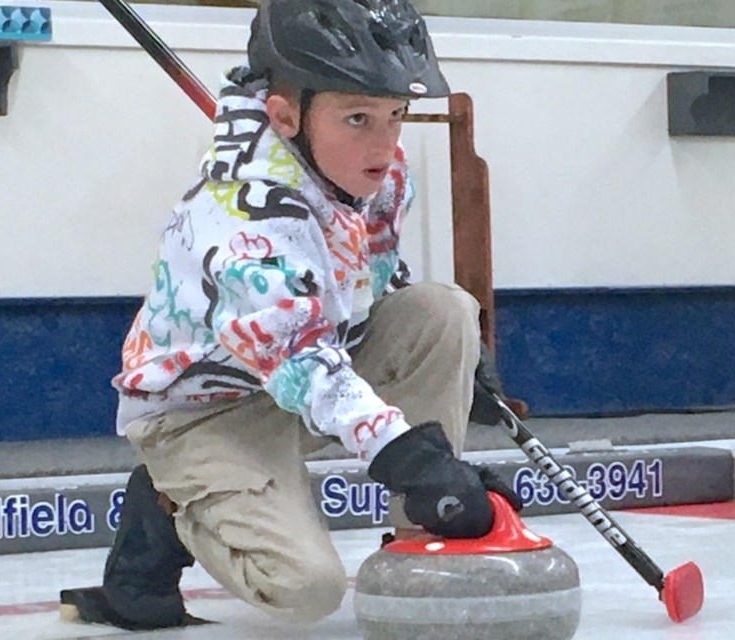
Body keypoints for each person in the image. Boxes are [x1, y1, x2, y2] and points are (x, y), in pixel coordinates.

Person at [61, 0, 520, 630]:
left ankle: (424, 536)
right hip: (202, 413)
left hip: (302, 377)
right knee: (305, 590)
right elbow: (304, 363)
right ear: (284, 115)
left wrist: (466, 361)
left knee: (445, 311)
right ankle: (169, 503)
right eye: (357, 118)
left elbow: (376, 274)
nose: (384, 144)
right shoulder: (246, 221)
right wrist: (413, 458)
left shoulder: (373, 171)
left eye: (395, 116)